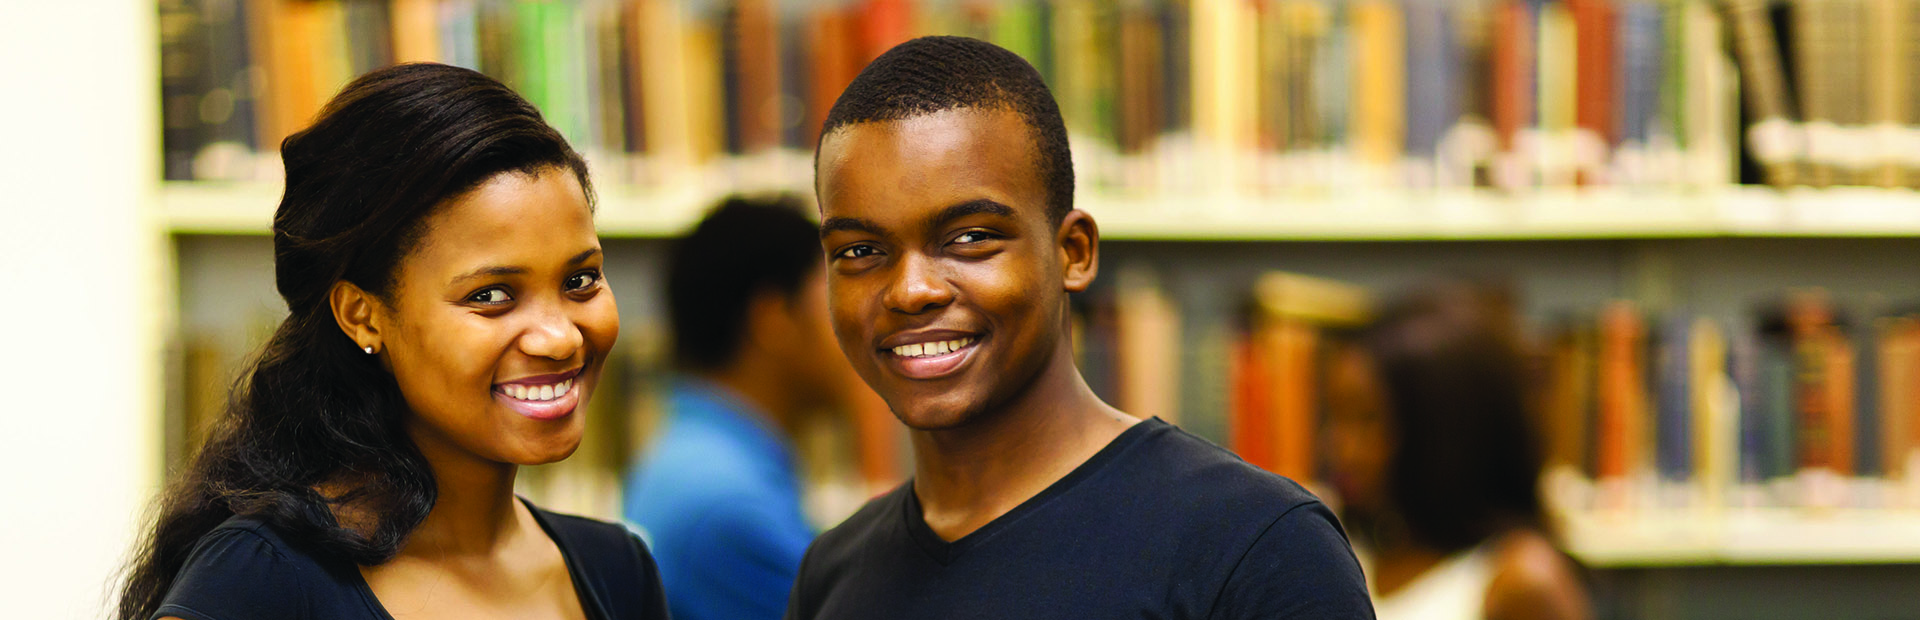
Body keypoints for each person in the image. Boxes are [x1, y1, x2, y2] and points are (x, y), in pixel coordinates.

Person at [790, 36, 1374, 619]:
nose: (911, 290)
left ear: (1073, 252)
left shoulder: (1253, 547)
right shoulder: (834, 574)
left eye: (970, 238)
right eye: (861, 249)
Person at [116, 63, 669, 620]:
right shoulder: (259, 581)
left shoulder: (617, 571)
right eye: (491, 295)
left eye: (580, 280)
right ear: (362, 316)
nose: (559, 338)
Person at [623, 196, 858, 620]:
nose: (859, 322)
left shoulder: (697, 459)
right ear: (775, 318)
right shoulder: (728, 505)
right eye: (833, 295)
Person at [1324, 282, 1590, 620]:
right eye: (1335, 417)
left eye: (1366, 420)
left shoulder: (1519, 582)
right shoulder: (1352, 548)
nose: (1338, 447)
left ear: (1441, 431)